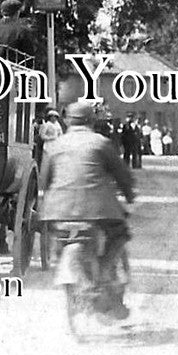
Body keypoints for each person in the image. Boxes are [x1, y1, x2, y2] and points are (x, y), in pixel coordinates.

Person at [37, 100, 136, 319]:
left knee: (60, 238)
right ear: (92, 121)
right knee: (120, 234)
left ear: (68, 121)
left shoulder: (54, 146)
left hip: (57, 210)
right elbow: (122, 175)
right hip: (97, 210)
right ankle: (104, 274)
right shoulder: (101, 143)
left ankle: (64, 264)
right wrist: (129, 195)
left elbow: (44, 180)